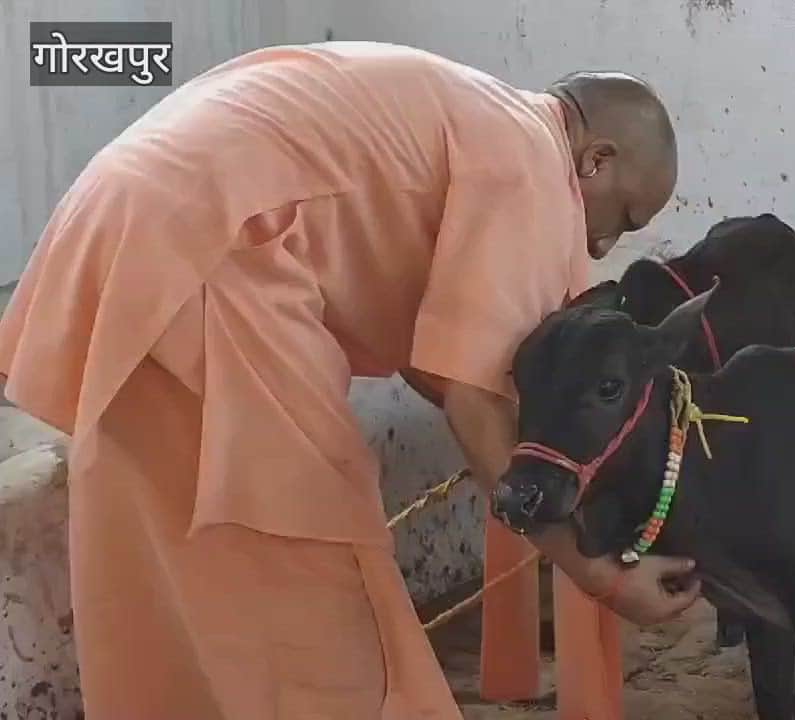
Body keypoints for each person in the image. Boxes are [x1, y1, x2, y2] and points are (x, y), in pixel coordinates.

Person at [0, 40, 701, 720]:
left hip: (129, 220)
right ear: (595, 161)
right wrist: (597, 573)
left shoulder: (472, 112)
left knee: (181, 577)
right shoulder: (532, 165)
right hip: (213, 255)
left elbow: (451, 366)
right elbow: (475, 399)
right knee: (316, 568)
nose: (604, 247)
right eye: (625, 218)